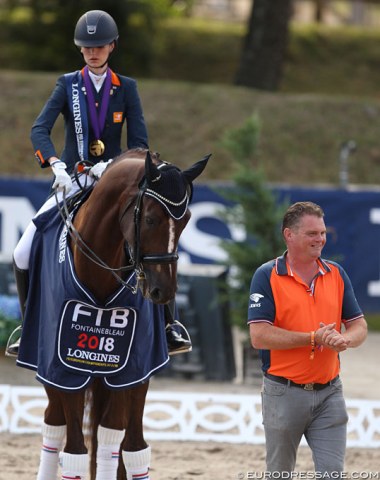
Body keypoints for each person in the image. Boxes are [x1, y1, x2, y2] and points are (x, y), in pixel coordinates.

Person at [7, 9, 191, 357]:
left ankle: (170, 325)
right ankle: (27, 326)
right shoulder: (66, 84)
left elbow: (139, 140)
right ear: (80, 49)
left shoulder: (127, 88)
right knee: (22, 250)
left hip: (117, 179)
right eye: (86, 46)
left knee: (153, 237)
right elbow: (39, 129)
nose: (93, 52)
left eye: (99, 46)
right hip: (73, 178)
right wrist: (56, 165)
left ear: (112, 47)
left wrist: (116, 164)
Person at [248, 201, 367, 476]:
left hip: (330, 393)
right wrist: (314, 338)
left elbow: (359, 326)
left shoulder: (336, 273)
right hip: (283, 393)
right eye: (312, 233)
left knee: (332, 473)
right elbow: (259, 335)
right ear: (289, 235)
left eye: (323, 233)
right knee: (279, 473)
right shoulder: (267, 275)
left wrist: (345, 340)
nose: (320, 239)